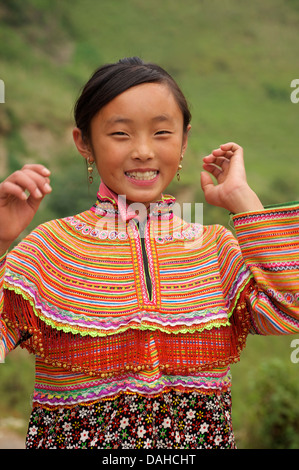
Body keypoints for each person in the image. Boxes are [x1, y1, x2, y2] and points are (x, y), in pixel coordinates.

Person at [0, 57, 298, 449]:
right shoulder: (50, 248)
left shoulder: (217, 248)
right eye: (120, 134)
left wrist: (244, 202)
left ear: (184, 141)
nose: (143, 151)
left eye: (161, 132)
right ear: (84, 142)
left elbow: (289, 310)